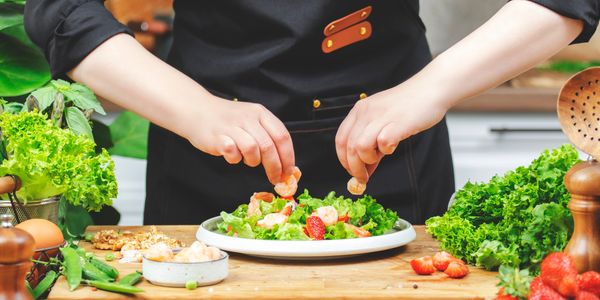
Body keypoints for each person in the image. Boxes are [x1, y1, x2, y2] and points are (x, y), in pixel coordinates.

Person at [24, 1, 599, 225]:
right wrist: (195, 109)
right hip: (202, 152)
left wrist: (430, 89)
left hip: (390, 159)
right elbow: (61, 8)